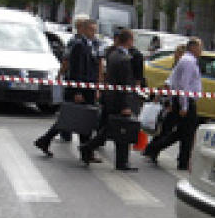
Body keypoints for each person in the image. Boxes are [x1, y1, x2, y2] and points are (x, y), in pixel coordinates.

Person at [34, 17, 102, 157]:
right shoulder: (78, 45)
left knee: (84, 119)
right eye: (91, 30)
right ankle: (47, 140)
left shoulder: (94, 44)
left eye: (95, 30)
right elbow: (76, 69)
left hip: (89, 87)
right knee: (71, 118)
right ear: (83, 29)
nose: (93, 33)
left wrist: (96, 87)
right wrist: (78, 91)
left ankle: (84, 150)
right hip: (79, 88)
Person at [80, 29, 138, 171]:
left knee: (113, 129)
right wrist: (125, 105)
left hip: (110, 97)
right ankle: (118, 161)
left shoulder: (113, 54)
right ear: (129, 41)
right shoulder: (124, 59)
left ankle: (91, 148)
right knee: (120, 130)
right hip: (118, 100)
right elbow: (123, 84)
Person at [143, 37, 203, 170]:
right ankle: (181, 162)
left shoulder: (188, 60)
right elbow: (183, 85)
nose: (201, 50)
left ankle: (153, 148)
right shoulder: (188, 61)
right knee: (187, 133)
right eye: (200, 47)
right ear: (193, 48)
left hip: (180, 99)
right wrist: (184, 105)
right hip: (185, 100)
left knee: (181, 132)